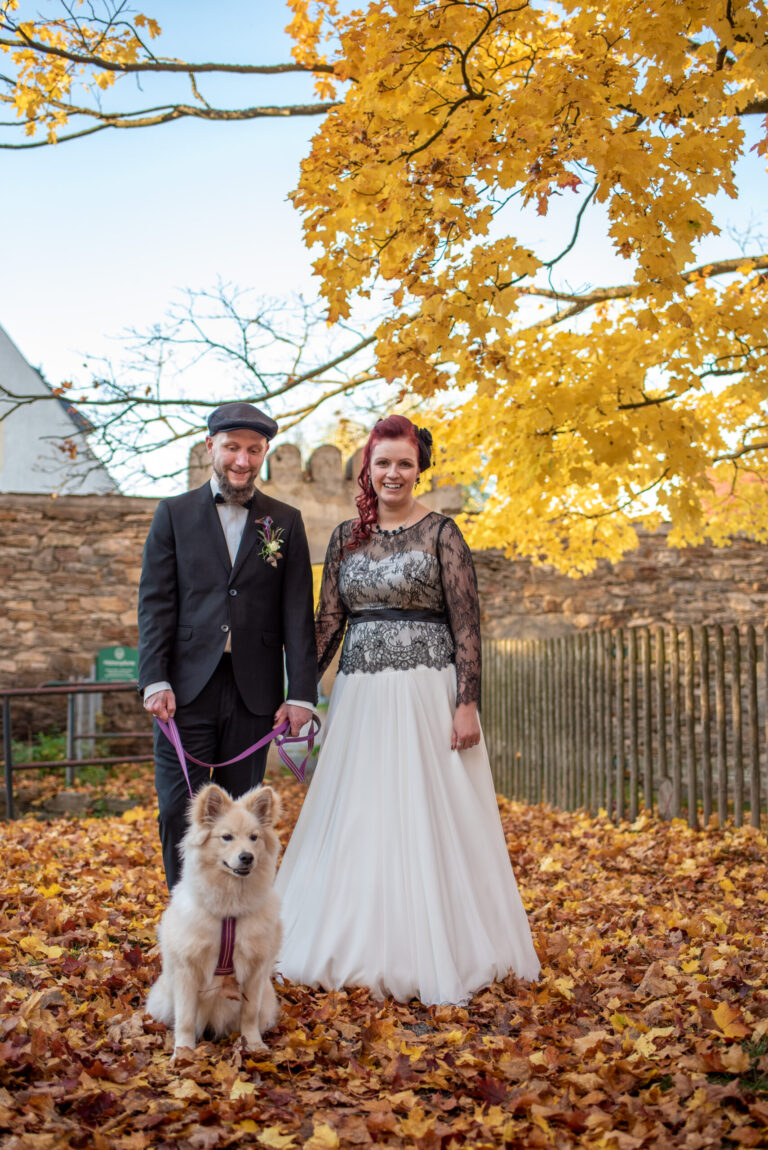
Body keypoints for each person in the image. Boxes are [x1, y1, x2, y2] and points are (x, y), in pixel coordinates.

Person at [275, 414, 540, 1005]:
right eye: (383, 463)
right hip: (361, 698)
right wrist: (299, 693)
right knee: (363, 811)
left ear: (418, 470)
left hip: (427, 693)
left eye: (404, 463)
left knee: (429, 811)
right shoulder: (345, 536)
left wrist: (466, 702)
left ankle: (441, 943)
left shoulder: (443, 532)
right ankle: (355, 937)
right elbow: (329, 624)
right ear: (367, 469)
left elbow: (467, 623)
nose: (393, 473)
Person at [138, 402, 317, 889]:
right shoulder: (172, 514)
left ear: (264, 454)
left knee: (243, 824)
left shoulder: (285, 521)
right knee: (180, 809)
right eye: (233, 447)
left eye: (254, 450)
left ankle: (234, 929)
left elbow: (298, 612)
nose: (242, 459)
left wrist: (300, 693)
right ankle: (186, 916)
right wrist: (154, 679)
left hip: (254, 693)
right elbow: (155, 604)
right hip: (184, 691)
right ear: (210, 447)